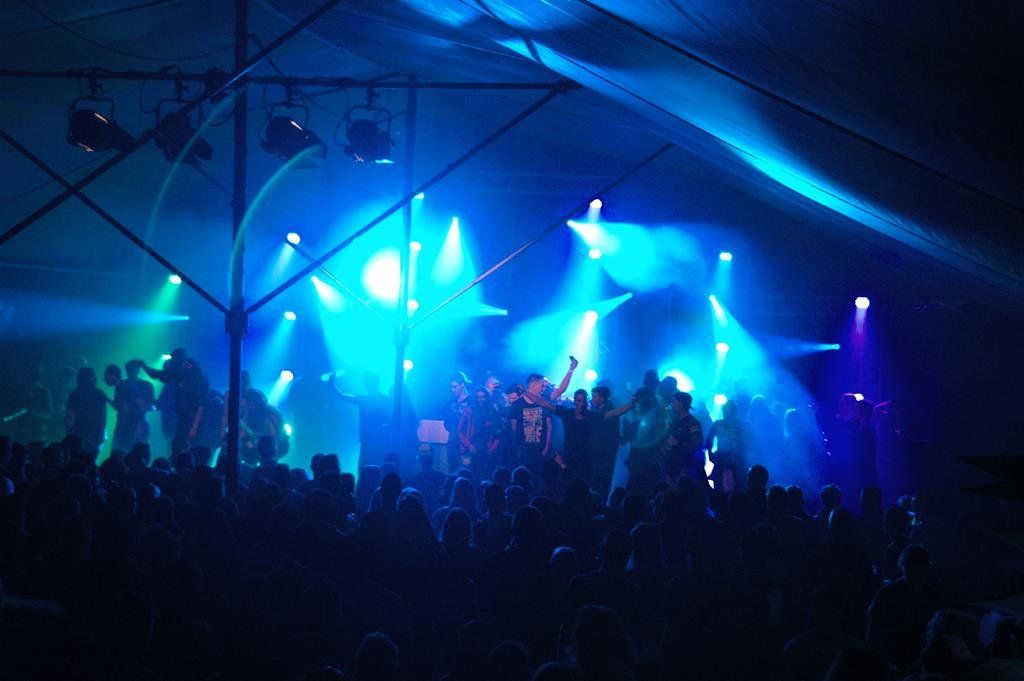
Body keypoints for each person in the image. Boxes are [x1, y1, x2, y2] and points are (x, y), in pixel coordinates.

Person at [526, 388, 633, 489]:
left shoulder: (592, 416)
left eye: (583, 401)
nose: (581, 404)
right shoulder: (567, 413)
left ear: (586, 402)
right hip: (569, 460)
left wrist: (632, 403)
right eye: (579, 401)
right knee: (567, 488)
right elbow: (545, 403)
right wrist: (525, 392)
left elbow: (615, 413)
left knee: (584, 490)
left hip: (586, 462)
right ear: (574, 402)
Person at [331, 371, 390, 471]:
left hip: (371, 438)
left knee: (366, 465)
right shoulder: (385, 399)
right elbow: (342, 395)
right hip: (378, 438)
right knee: (376, 463)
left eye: (366, 381)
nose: (364, 384)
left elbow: (341, 395)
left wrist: (332, 384)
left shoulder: (365, 400)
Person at [508, 374, 555, 480]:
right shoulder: (518, 404)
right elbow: (513, 427)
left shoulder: (544, 403)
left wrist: (547, 446)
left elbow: (549, 426)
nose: (543, 388)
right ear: (533, 384)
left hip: (540, 449)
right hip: (524, 450)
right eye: (542, 385)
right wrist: (518, 446)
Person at [663, 392, 705, 487]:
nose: (672, 404)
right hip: (672, 463)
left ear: (681, 404)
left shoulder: (692, 423)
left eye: (674, 402)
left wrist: (678, 443)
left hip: (686, 466)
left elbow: (697, 444)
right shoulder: (674, 421)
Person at [104, 364, 148, 453]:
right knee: (119, 452)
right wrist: (106, 398)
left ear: (112, 375)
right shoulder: (119, 388)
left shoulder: (126, 386)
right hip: (125, 426)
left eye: (107, 376)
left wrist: (139, 425)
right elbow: (119, 407)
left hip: (131, 426)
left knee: (123, 452)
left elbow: (141, 404)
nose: (105, 379)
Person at [705, 400, 747, 493]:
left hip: (737, 460)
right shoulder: (718, 424)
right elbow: (709, 440)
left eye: (728, 411)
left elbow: (750, 442)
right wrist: (710, 454)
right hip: (722, 459)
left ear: (734, 412)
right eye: (725, 411)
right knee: (720, 487)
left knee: (738, 487)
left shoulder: (742, 425)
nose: (726, 413)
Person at [65, 366, 107, 457]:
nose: (95, 379)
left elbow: (69, 416)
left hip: (81, 430)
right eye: (93, 377)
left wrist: (68, 431)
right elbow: (103, 415)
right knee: (89, 457)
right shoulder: (98, 393)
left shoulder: (74, 394)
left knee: (77, 457)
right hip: (91, 431)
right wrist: (102, 431)